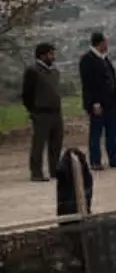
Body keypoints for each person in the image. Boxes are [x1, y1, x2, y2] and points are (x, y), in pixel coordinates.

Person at [78, 31, 116, 170]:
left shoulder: (104, 59)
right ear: (100, 43)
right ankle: (95, 161)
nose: (107, 44)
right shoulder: (87, 60)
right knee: (96, 133)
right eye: (106, 41)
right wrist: (94, 103)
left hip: (110, 103)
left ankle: (114, 159)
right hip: (98, 104)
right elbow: (88, 84)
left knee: (113, 131)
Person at [22, 42, 64, 182]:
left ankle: (55, 170)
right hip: (41, 113)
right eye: (51, 54)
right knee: (39, 144)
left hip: (56, 112)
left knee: (56, 143)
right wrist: (33, 110)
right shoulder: (33, 71)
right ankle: (36, 172)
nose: (53, 57)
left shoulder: (54, 71)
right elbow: (27, 94)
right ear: (42, 55)